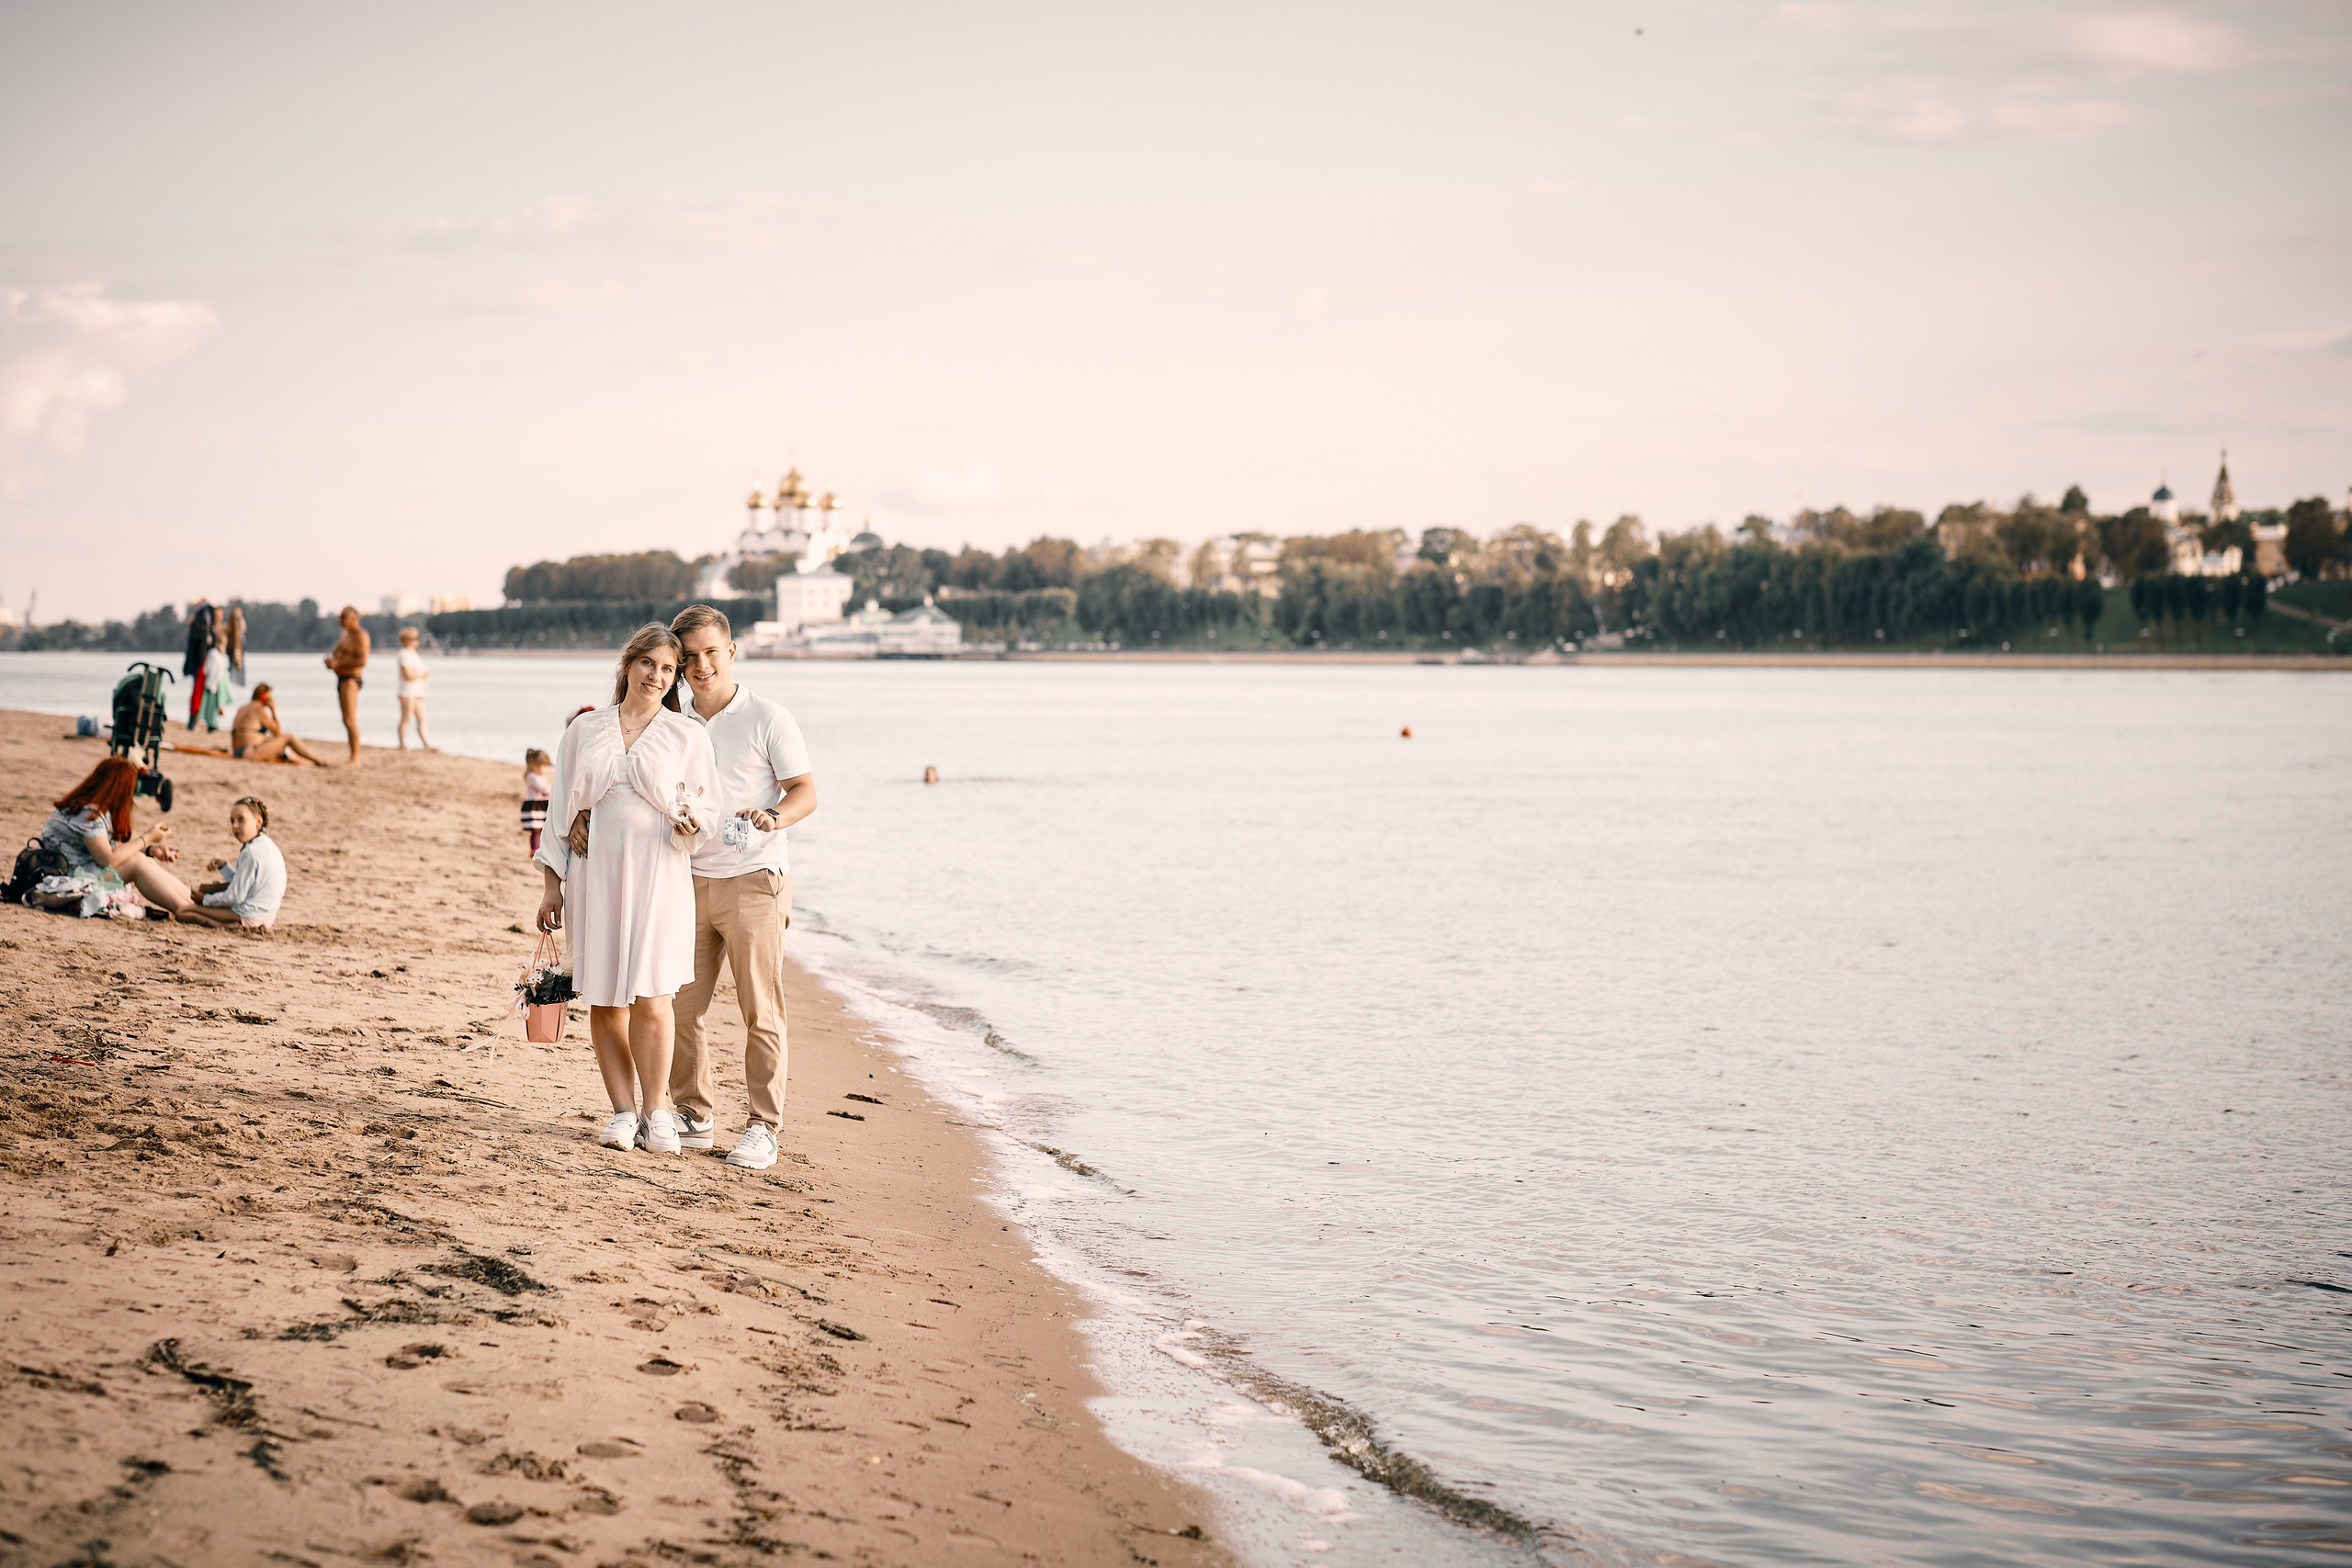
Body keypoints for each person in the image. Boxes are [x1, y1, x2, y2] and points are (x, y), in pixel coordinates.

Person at [534, 624, 719, 1156]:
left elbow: (708, 808)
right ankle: (622, 1111)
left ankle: (658, 1112)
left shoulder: (687, 736)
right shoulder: (585, 731)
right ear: (628, 664)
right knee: (606, 1000)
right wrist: (552, 887)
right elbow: (558, 812)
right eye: (649, 664)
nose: (657, 676)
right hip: (597, 880)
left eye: (668, 668)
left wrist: (692, 824)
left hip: (660, 878)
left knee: (654, 999)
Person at [668, 604, 817, 1170]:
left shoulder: (768, 717)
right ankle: (694, 1115)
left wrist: (773, 819)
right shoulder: (674, 721)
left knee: (761, 1009)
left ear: (732, 651)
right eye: (691, 657)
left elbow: (804, 791)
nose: (702, 665)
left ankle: (764, 1128)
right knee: (681, 1006)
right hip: (686, 882)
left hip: (756, 881)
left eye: (712, 652)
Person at [40, 756, 198, 916]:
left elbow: (111, 850)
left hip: (79, 872)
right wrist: (148, 837)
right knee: (138, 862)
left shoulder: (92, 807)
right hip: (65, 881)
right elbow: (108, 859)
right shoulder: (86, 811)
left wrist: (150, 850)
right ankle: (184, 910)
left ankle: (195, 904)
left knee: (144, 860)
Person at [176, 796, 286, 930]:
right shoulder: (269, 846)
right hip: (267, 916)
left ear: (258, 822)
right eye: (232, 821)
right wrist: (224, 867)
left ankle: (227, 926)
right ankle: (234, 924)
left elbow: (235, 897)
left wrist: (204, 899)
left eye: (241, 820)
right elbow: (245, 884)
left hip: (250, 915)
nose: (235, 826)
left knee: (183, 912)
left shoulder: (250, 852)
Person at [230, 684, 330, 765]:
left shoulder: (242, 708)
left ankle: (309, 763)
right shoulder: (259, 710)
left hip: (237, 752)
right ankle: (319, 761)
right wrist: (273, 709)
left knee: (281, 750)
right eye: (271, 696)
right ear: (264, 696)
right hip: (250, 753)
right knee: (289, 737)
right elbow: (277, 732)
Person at [323, 605, 369, 764]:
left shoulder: (360, 636)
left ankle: (355, 758)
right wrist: (330, 660)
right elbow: (334, 653)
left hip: (351, 679)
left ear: (353, 619)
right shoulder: (346, 635)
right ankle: (352, 755)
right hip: (341, 678)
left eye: (343, 617)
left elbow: (362, 661)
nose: (340, 620)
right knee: (345, 719)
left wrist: (338, 664)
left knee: (350, 719)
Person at [394, 626, 435, 751]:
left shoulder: (414, 654)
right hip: (407, 692)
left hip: (417, 692)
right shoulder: (404, 654)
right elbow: (407, 675)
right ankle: (402, 744)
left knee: (422, 718)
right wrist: (422, 675)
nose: (415, 641)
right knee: (406, 718)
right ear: (405, 640)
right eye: (412, 638)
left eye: (416, 638)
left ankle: (426, 744)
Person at [183, 599, 216, 731]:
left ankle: (199, 721)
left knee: (202, 693)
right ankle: (193, 722)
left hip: (205, 663)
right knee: (197, 693)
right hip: (199, 663)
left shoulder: (205, 621)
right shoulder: (199, 622)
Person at [198, 622, 232, 732]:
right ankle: (210, 725)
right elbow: (206, 670)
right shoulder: (213, 654)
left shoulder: (223, 656)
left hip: (218, 684)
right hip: (212, 684)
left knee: (214, 706)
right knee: (210, 706)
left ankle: (213, 724)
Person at [521, 748, 552, 855]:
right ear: (535, 766)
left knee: (542, 828)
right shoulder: (532, 777)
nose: (546, 769)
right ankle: (534, 849)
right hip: (535, 806)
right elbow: (544, 788)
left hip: (541, 805)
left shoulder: (539, 776)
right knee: (536, 829)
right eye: (544, 767)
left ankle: (540, 848)